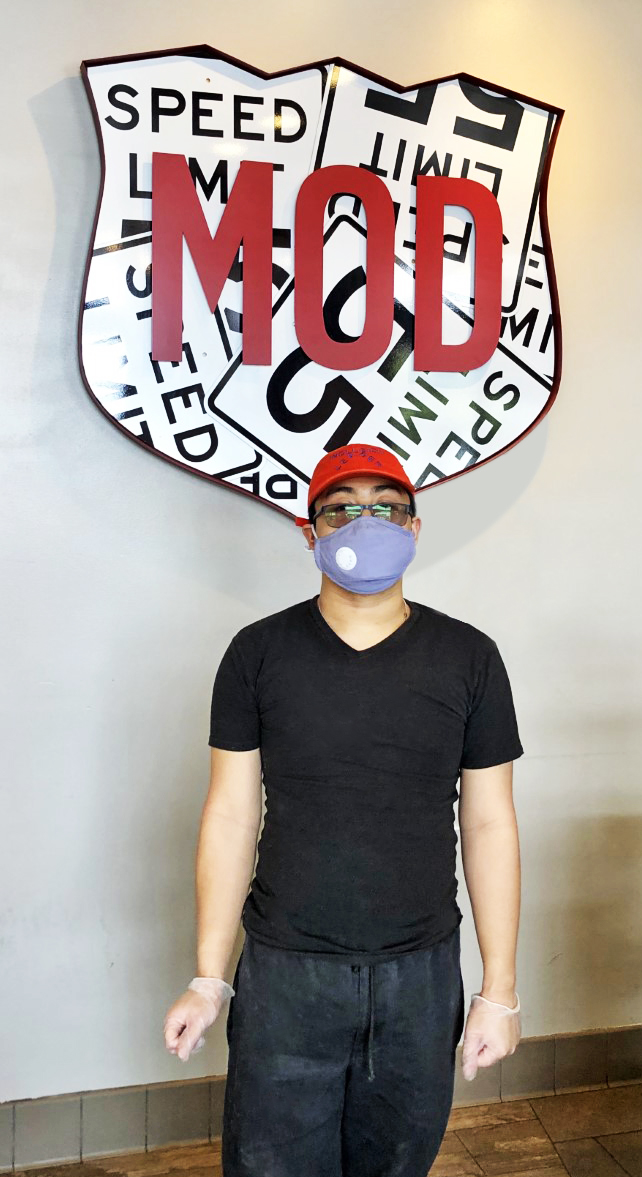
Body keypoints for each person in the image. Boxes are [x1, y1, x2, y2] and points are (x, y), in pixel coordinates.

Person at [164, 442, 523, 1177]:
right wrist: (209, 976)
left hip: (420, 979)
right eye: (343, 507)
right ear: (310, 529)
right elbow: (231, 815)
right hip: (287, 978)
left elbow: (489, 824)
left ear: (415, 527)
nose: (367, 521)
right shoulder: (257, 654)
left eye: (387, 507)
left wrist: (501, 992)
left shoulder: (470, 657)